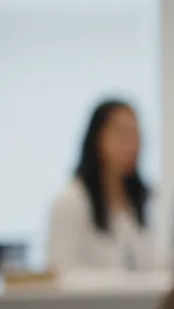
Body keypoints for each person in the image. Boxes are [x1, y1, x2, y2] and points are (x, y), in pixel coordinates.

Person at [47, 99, 158, 273]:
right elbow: (61, 271)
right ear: (97, 138)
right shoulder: (70, 200)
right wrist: (120, 282)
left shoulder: (145, 198)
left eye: (136, 135)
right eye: (123, 134)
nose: (133, 144)